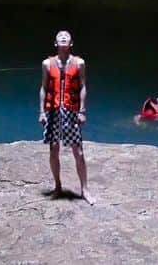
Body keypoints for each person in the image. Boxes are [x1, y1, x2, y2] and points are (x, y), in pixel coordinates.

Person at [39, 29, 94, 204]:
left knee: (78, 151)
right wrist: (41, 112)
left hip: (71, 111)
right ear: (56, 44)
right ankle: (58, 186)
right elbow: (44, 88)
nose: (63, 38)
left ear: (71, 44)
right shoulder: (47, 64)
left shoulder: (79, 63)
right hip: (53, 111)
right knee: (54, 149)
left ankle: (84, 189)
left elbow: (83, 87)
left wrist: (82, 111)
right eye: (59, 37)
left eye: (66, 37)